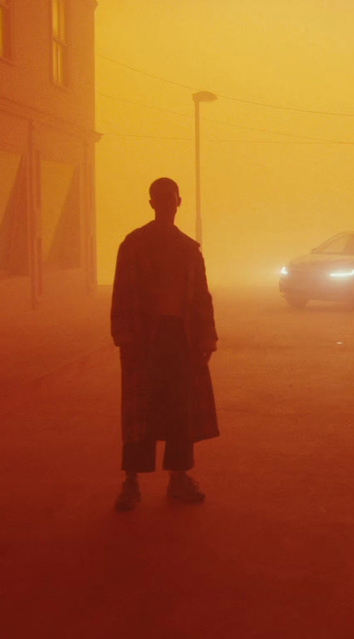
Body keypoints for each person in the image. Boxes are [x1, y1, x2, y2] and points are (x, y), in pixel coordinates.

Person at [110, 177, 219, 511]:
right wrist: (124, 339)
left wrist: (206, 337)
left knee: (179, 412)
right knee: (139, 414)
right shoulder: (133, 246)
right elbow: (122, 296)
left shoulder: (189, 250)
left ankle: (178, 477)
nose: (166, 204)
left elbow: (200, 297)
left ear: (178, 202)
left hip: (180, 340)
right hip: (144, 341)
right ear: (151, 203)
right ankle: (132, 482)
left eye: (170, 199)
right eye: (160, 199)